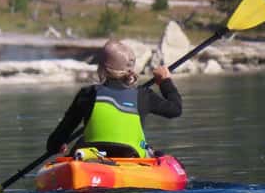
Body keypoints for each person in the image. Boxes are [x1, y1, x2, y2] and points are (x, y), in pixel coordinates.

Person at [45, 39, 182, 158]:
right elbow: (176, 109)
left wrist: (58, 145)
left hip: (93, 159)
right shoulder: (143, 95)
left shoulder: (87, 94)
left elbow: (54, 142)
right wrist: (165, 82)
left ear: (101, 68)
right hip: (132, 158)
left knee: (81, 142)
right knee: (154, 152)